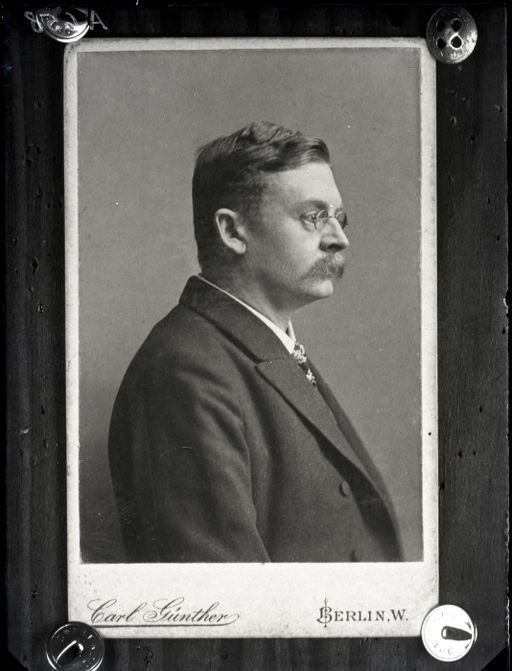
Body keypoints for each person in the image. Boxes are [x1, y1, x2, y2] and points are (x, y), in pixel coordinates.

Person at [108, 121, 402, 563]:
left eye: (338, 217)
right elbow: (229, 613)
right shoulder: (184, 370)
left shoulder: (257, 346)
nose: (339, 238)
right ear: (232, 232)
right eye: (313, 216)